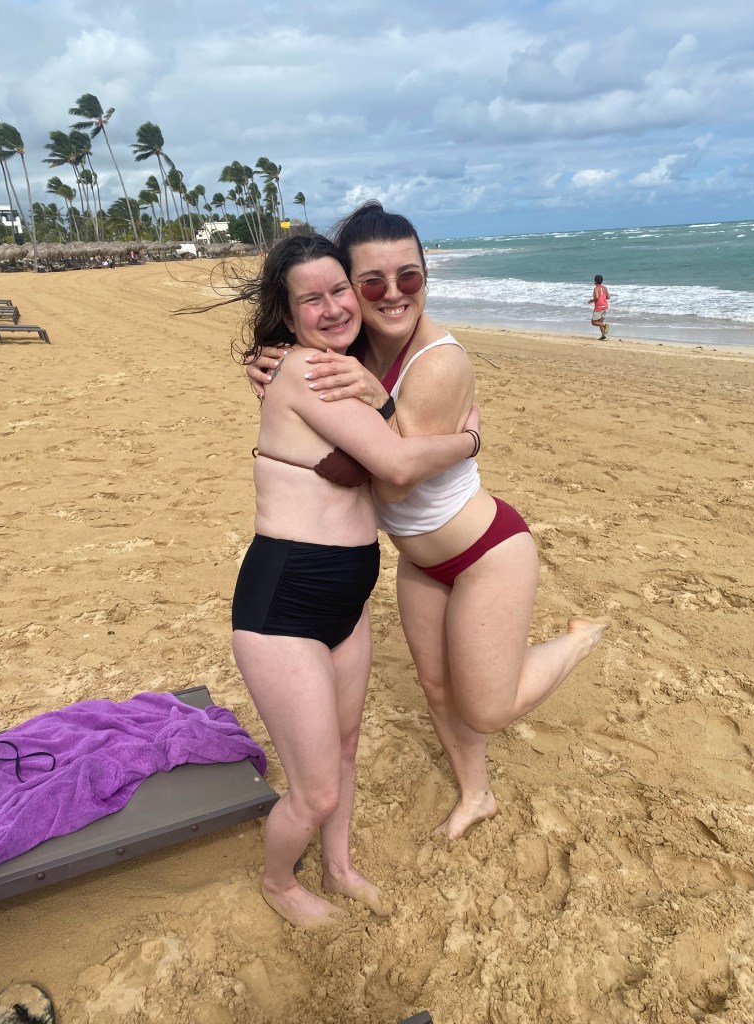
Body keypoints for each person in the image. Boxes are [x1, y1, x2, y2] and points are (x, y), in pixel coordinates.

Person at [248, 202, 608, 841]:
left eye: (408, 277)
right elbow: (301, 369)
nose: (393, 294)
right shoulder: (350, 345)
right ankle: (477, 793)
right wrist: (265, 361)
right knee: (438, 690)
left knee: (488, 707)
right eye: (371, 283)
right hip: (419, 559)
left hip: (484, 551)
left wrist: (413, 414)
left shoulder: (439, 361)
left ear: (426, 276)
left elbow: (395, 477)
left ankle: (579, 638)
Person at [224, 233, 480, 927]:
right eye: (312, 299)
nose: (334, 307)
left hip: (346, 599)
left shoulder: (345, 365)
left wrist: (384, 392)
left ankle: (337, 868)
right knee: (316, 792)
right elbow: (395, 464)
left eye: (341, 289)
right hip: (285, 605)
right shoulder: (309, 370)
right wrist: (469, 440)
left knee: (343, 750)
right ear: (288, 313)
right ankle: (279, 883)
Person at [588, 274, 610, 339]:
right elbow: (608, 297)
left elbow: (597, 297)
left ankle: (605, 325)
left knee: (593, 322)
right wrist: (603, 297)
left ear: (595, 281)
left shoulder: (596, 288)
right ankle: (603, 336)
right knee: (600, 322)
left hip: (599, 307)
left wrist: (592, 300)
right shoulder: (605, 288)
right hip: (605, 306)